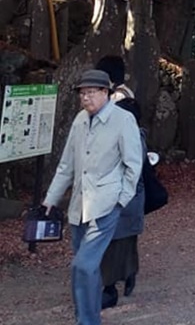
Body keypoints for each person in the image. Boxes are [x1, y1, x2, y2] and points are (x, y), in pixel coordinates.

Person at [41, 68, 143, 325]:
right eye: (82, 94)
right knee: (86, 267)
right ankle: (86, 314)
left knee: (83, 265)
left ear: (105, 93)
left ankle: (87, 321)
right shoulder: (79, 120)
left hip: (107, 204)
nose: (85, 98)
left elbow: (133, 163)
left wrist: (122, 198)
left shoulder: (123, 120)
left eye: (90, 93)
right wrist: (51, 198)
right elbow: (67, 165)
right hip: (79, 204)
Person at [96, 55, 145, 309]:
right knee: (125, 237)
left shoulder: (116, 105)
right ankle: (127, 274)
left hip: (115, 184)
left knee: (111, 238)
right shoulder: (128, 96)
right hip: (131, 187)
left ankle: (108, 288)